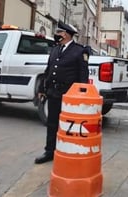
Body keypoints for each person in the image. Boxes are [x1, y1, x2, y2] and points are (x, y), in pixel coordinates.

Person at [34, 21, 90, 164]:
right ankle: (49, 151)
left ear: (64, 34)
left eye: (58, 32)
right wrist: (42, 89)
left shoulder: (79, 51)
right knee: (52, 123)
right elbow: (49, 70)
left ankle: (68, 151)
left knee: (69, 126)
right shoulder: (55, 49)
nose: (56, 35)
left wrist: (82, 97)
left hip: (69, 96)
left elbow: (83, 77)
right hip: (53, 93)